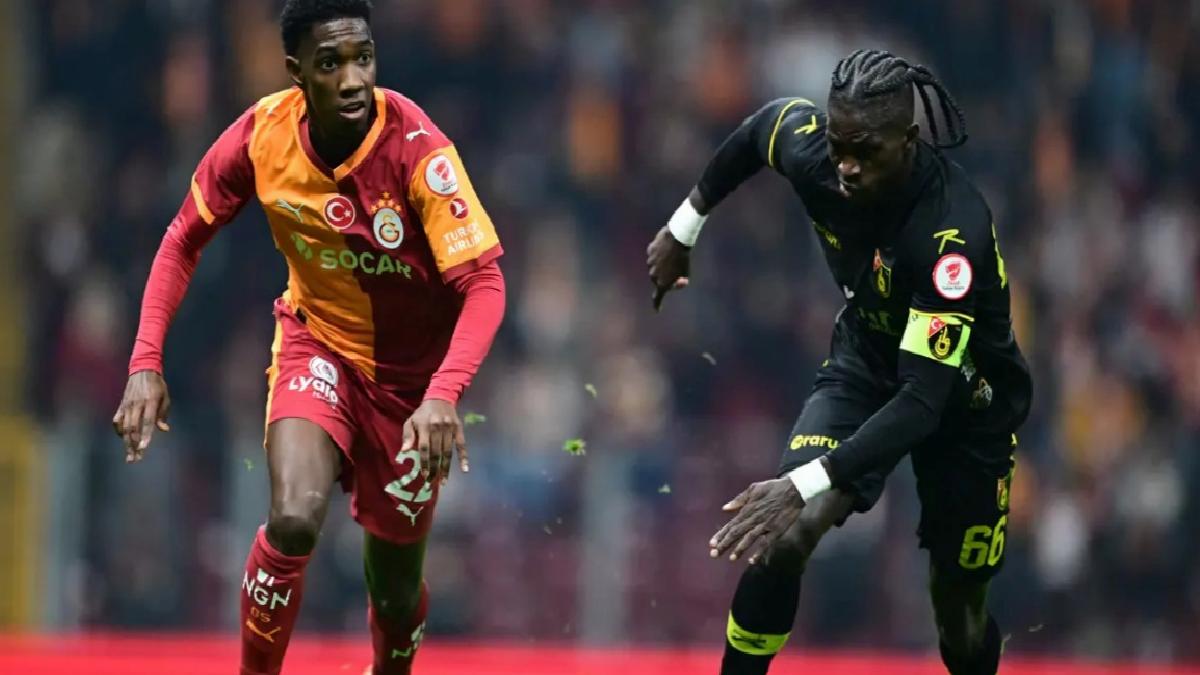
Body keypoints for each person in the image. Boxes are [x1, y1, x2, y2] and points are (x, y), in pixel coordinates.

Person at [110, 1, 506, 673]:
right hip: (317, 344)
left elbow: (485, 283)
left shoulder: (419, 149)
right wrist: (145, 361)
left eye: (363, 58)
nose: (353, 80)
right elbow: (182, 240)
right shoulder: (260, 137)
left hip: (411, 394)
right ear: (296, 71)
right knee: (293, 518)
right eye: (330, 63)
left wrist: (442, 395)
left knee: (396, 590)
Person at [646, 49, 1031, 675]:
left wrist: (801, 481)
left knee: (958, 620)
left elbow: (922, 401)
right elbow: (762, 128)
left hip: (966, 405)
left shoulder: (949, 238)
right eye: (838, 145)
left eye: (866, 151)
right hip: (869, 364)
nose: (846, 166)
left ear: (908, 141)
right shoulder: (819, 156)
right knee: (785, 536)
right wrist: (683, 226)